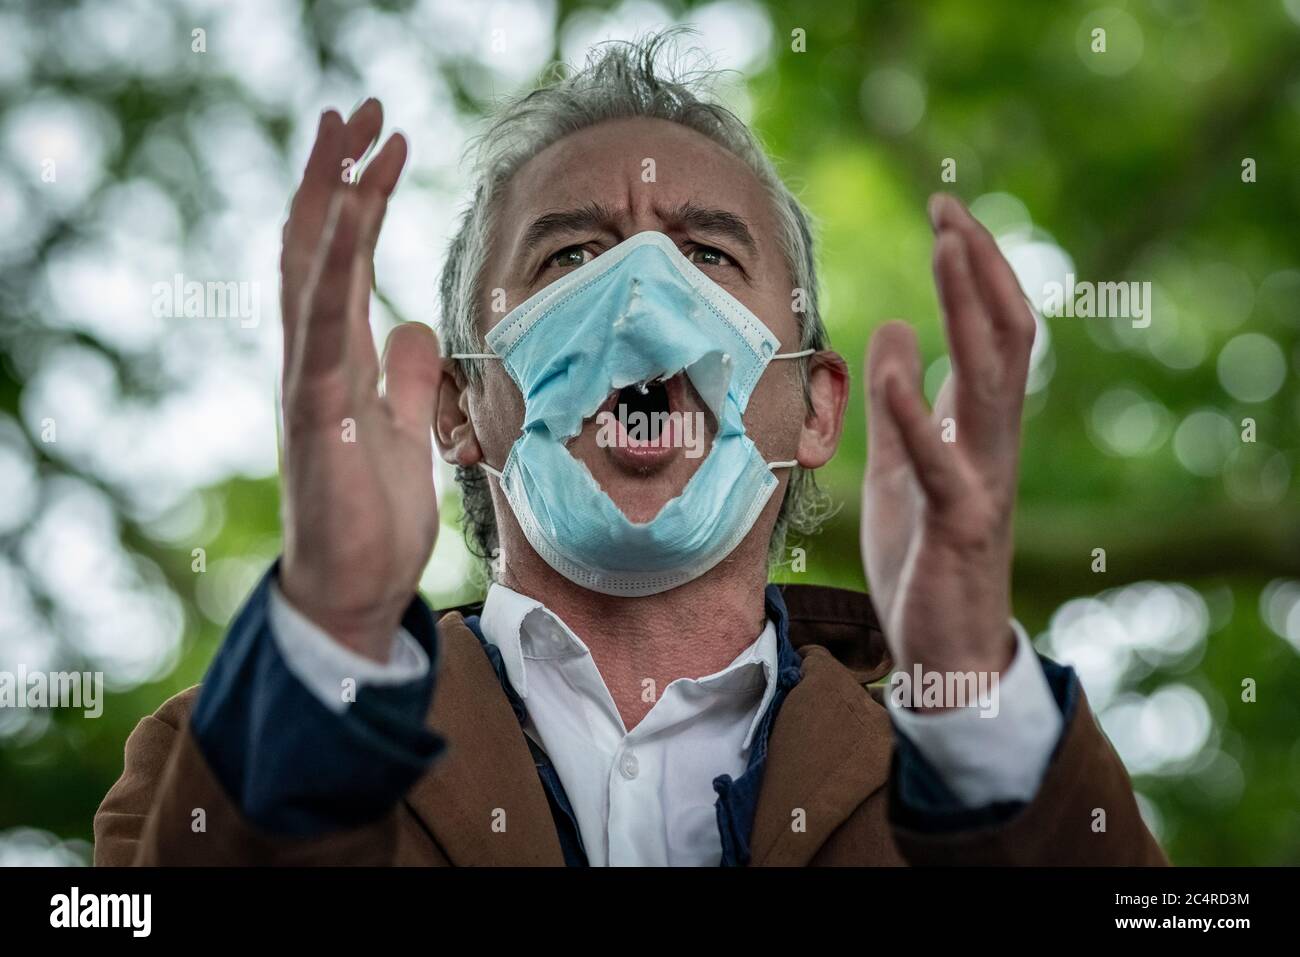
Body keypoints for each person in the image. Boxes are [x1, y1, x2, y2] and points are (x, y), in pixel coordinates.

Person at [95, 34, 1165, 867]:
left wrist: (970, 695)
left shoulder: (964, 773)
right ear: (461, 407)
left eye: (707, 252)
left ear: (814, 407)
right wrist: (325, 636)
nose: (645, 296)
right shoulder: (211, 757)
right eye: (571, 253)